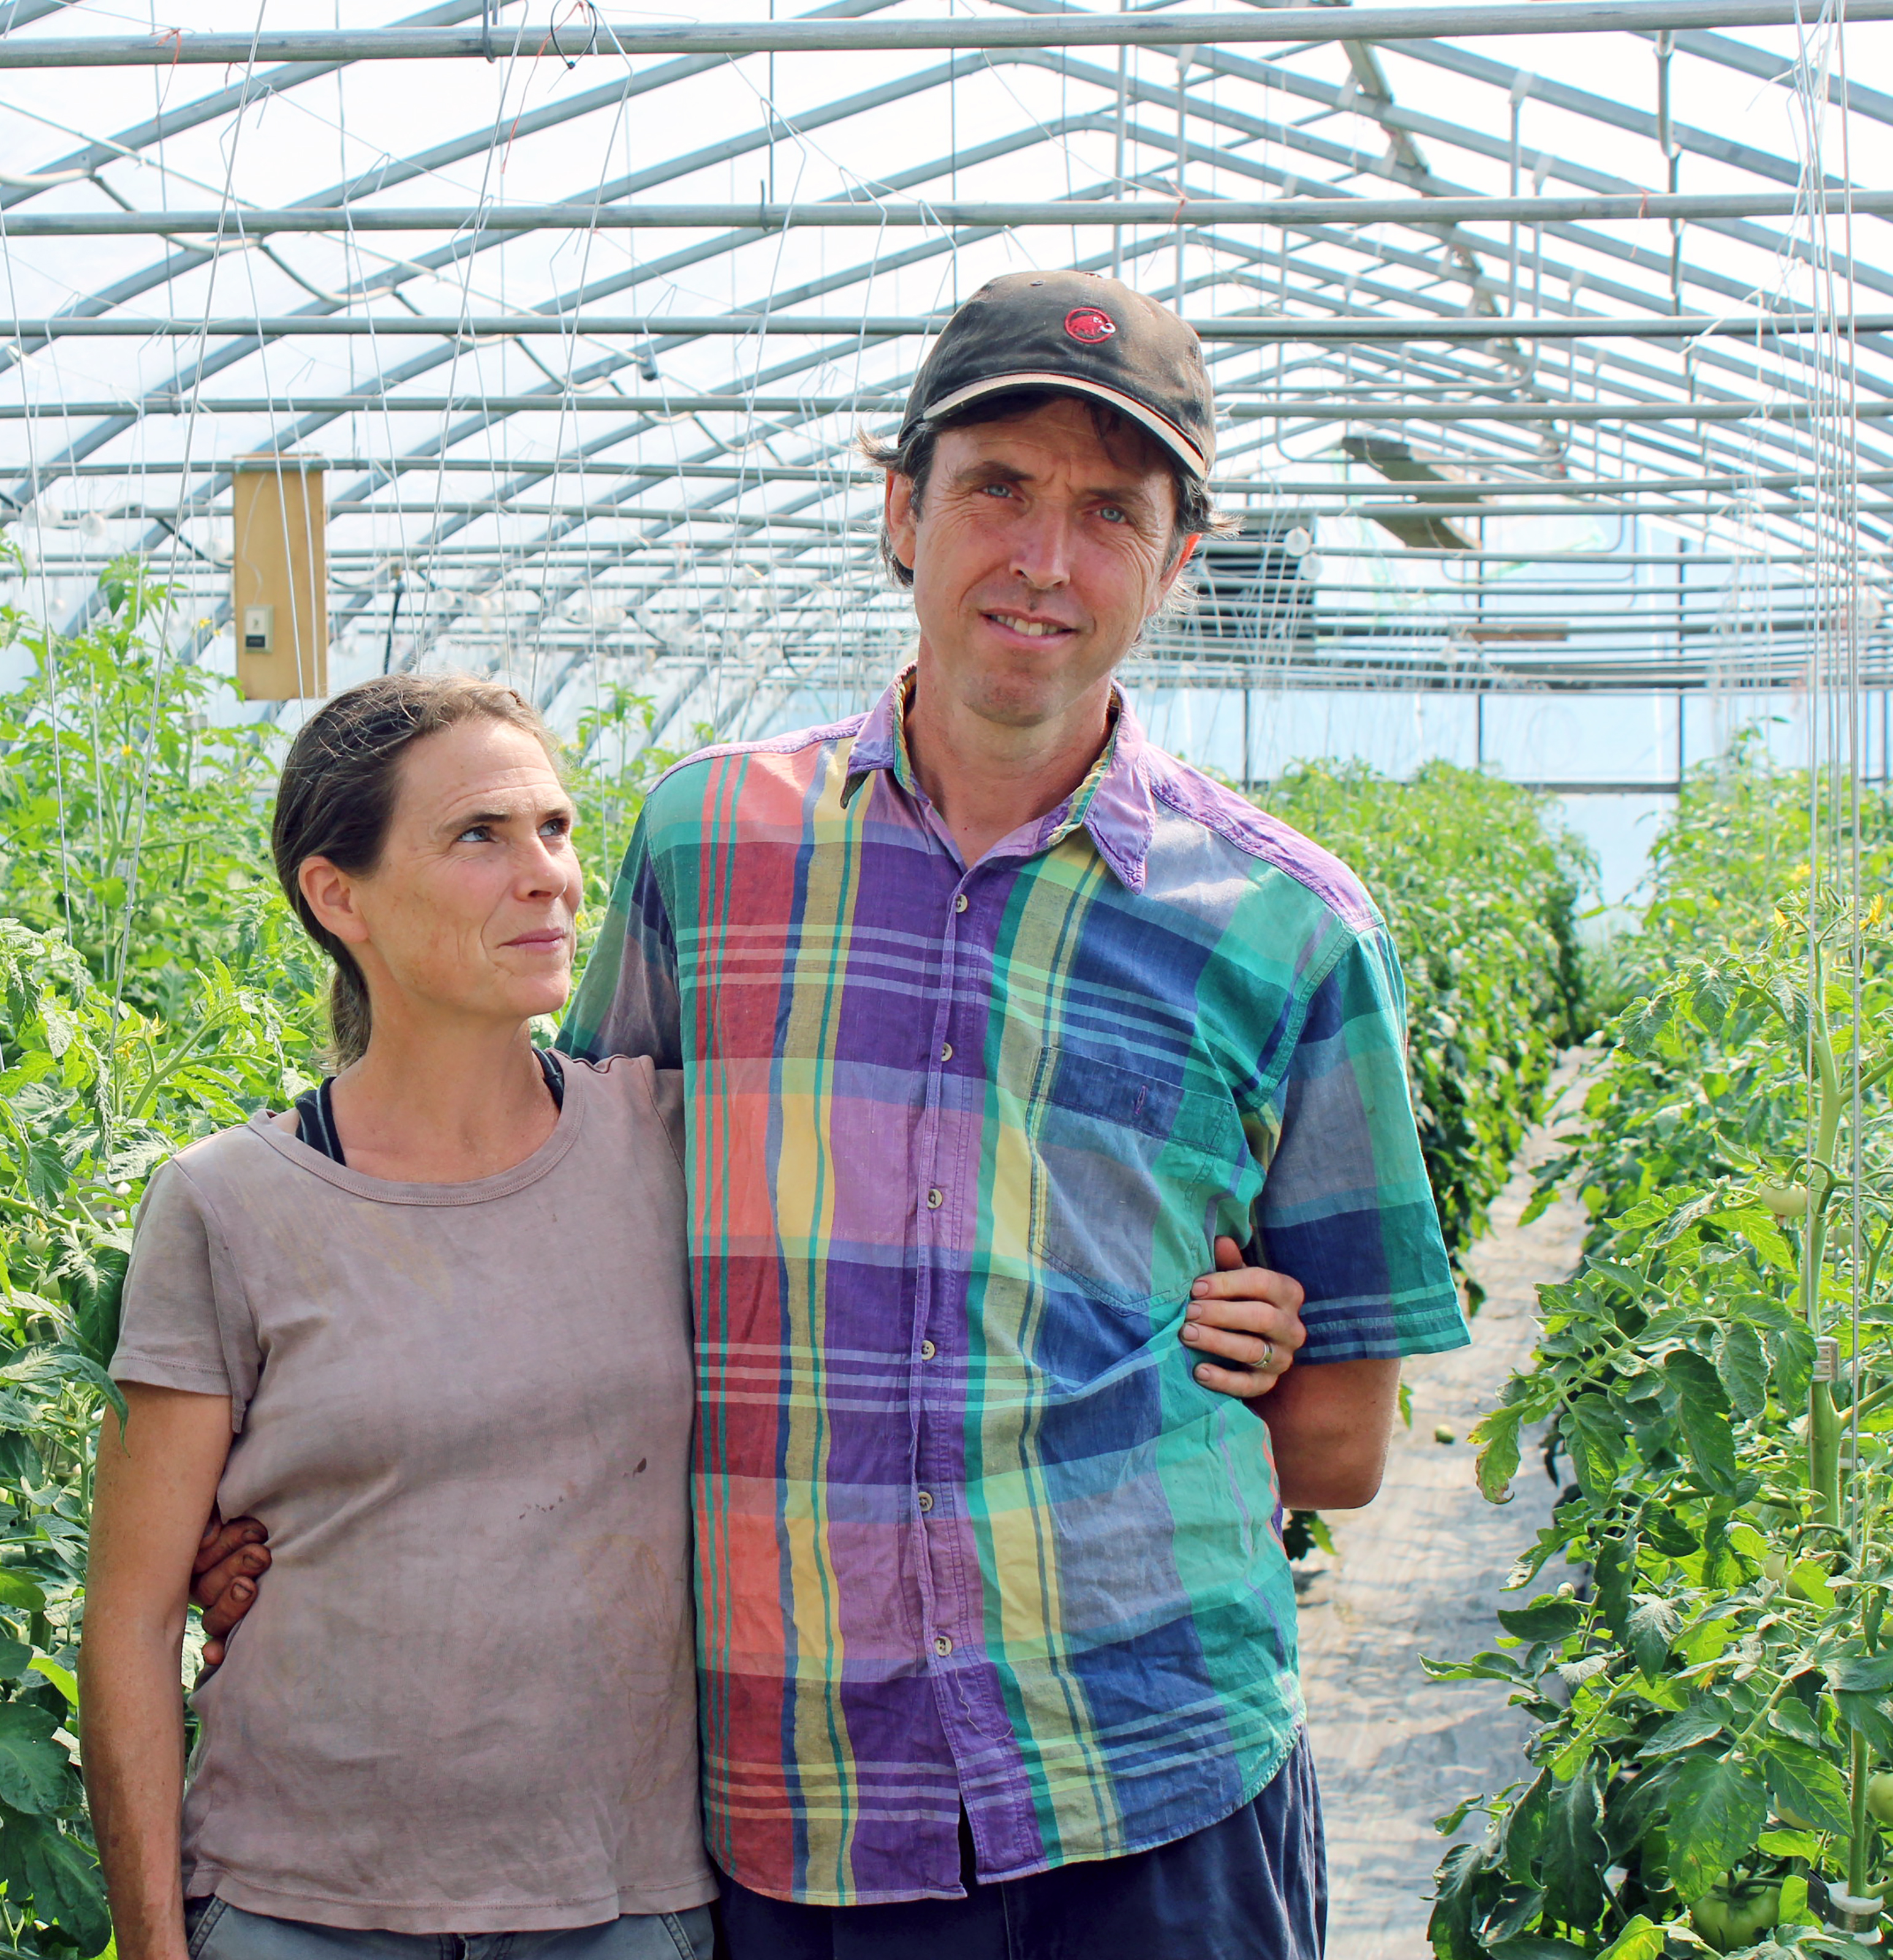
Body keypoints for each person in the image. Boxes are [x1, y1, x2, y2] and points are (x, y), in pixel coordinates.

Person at [195, 268, 1466, 1959]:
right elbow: (554, 1226)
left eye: (1110, 513)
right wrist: (322, 1497)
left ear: (1175, 562)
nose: (1043, 557)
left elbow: (1341, 1449)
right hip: (800, 1801)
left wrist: (1251, 1339)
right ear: (900, 509)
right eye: (996, 488)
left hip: (1153, 1782)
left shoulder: (1292, 926)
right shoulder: (707, 848)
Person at [80, 666, 1318, 1960]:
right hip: (297, 1902)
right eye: (479, 837)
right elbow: (132, 1613)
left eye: (555, 828)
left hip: (620, 1899)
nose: (549, 874)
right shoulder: (227, 1205)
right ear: (338, 897)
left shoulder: (683, 1146)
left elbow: (938, 1258)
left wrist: (1218, 1296)